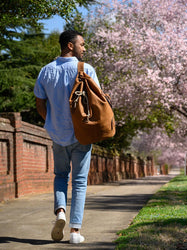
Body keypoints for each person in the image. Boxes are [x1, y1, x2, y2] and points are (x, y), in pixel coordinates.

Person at [34, 30, 100, 244]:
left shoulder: (45, 71)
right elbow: (98, 101)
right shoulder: (86, 69)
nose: (84, 48)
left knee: (60, 176)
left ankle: (60, 211)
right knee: (79, 182)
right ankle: (74, 231)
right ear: (70, 45)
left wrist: (51, 122)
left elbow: (40, 103)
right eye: (82, 44)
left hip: (57, 135)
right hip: (81, 135)